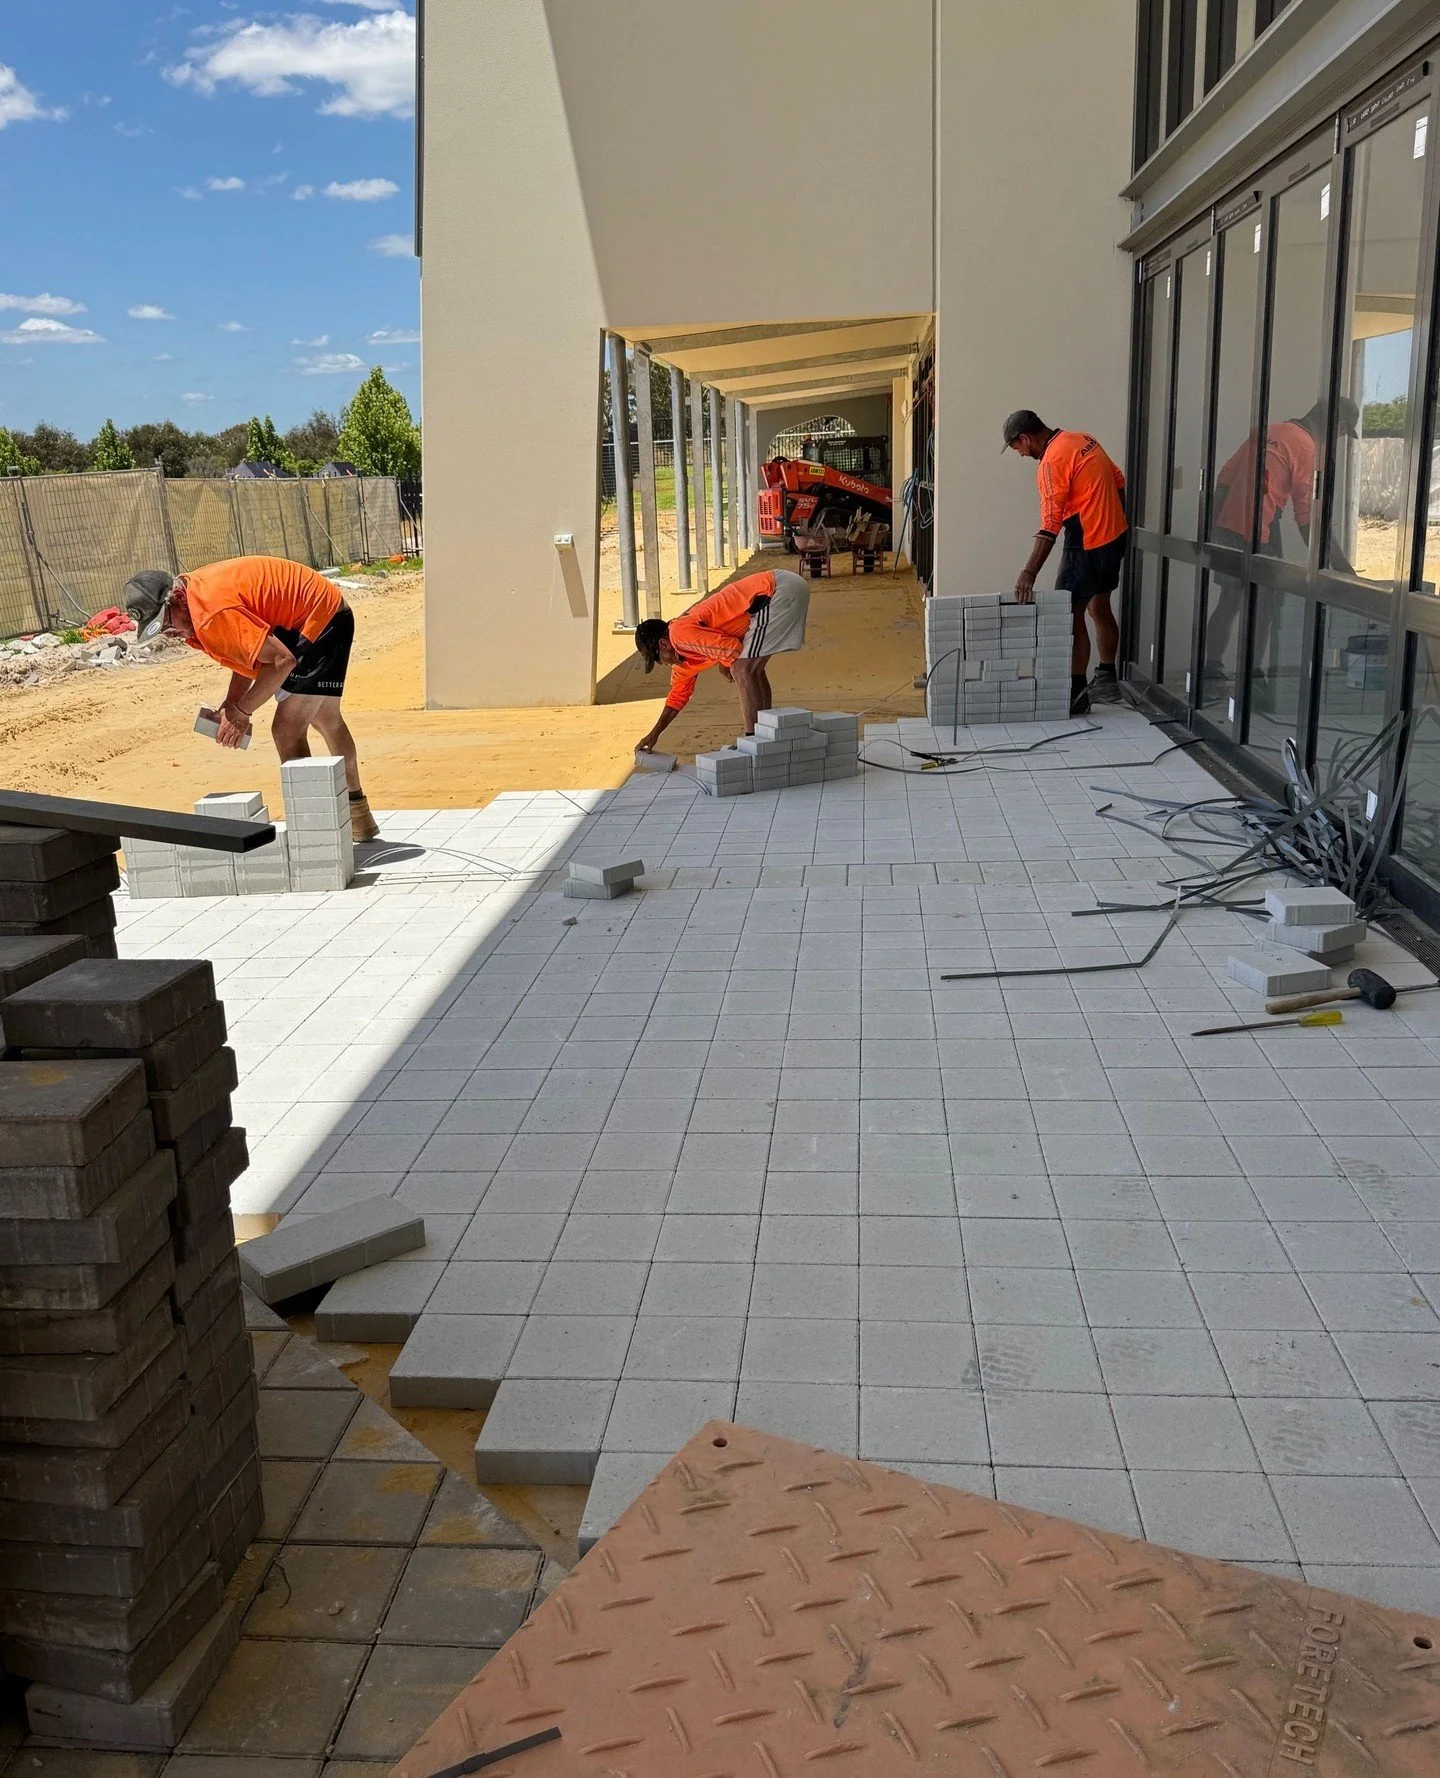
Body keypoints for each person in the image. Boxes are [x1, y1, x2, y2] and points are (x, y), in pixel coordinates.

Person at [123, 556, 379, 840]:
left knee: (286, 730)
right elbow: (248, 656)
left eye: (165, 623)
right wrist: (231, 704)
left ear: (177, 599)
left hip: (320, 621)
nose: (170, 634)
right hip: (322, 611)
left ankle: (317, 834)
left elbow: (281, 661)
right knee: (327, 719)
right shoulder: (197, 601)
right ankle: (360, 817)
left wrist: (242, 713)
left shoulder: (210, 613)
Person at [1205, 398, 1359, 686]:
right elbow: (1308, 518)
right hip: (1259, 530)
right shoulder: (1306, 447)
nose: (1339, 438)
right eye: (1342, 433)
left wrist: (1213, 529)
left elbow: (1225, 475)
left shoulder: (1268, 430)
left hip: (1228, 526)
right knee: (1266, 604)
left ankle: (1210, 671)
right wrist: (1341, 567)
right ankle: (1253, 677)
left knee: (1228, 602)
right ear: (1338, 426)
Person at [1002, 409, 1127, 715]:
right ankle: (1107, 679)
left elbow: (1050, 526)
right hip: (1115, 534)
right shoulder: (1083, 439)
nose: (1019, 454)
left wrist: (1028, 572)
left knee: (1069, 617)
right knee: (1099, 607)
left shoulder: (1050, 462)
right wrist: (1113, 519)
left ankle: (1076, 694)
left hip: (1085, 540)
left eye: (1017, 448)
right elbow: (1118, 480)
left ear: (1025, 438)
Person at [634, 567, 811, 751]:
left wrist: (724, 665)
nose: (662, 663)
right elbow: (676, 701)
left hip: (776, 591)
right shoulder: (682, 661)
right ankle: (766, 733)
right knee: (752, 670)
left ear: (663, 645)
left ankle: (754, 740)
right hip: (781, 589)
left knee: (742, 669)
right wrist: (654, 734)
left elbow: (731, 648)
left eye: (657, 658)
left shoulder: (679, 635)